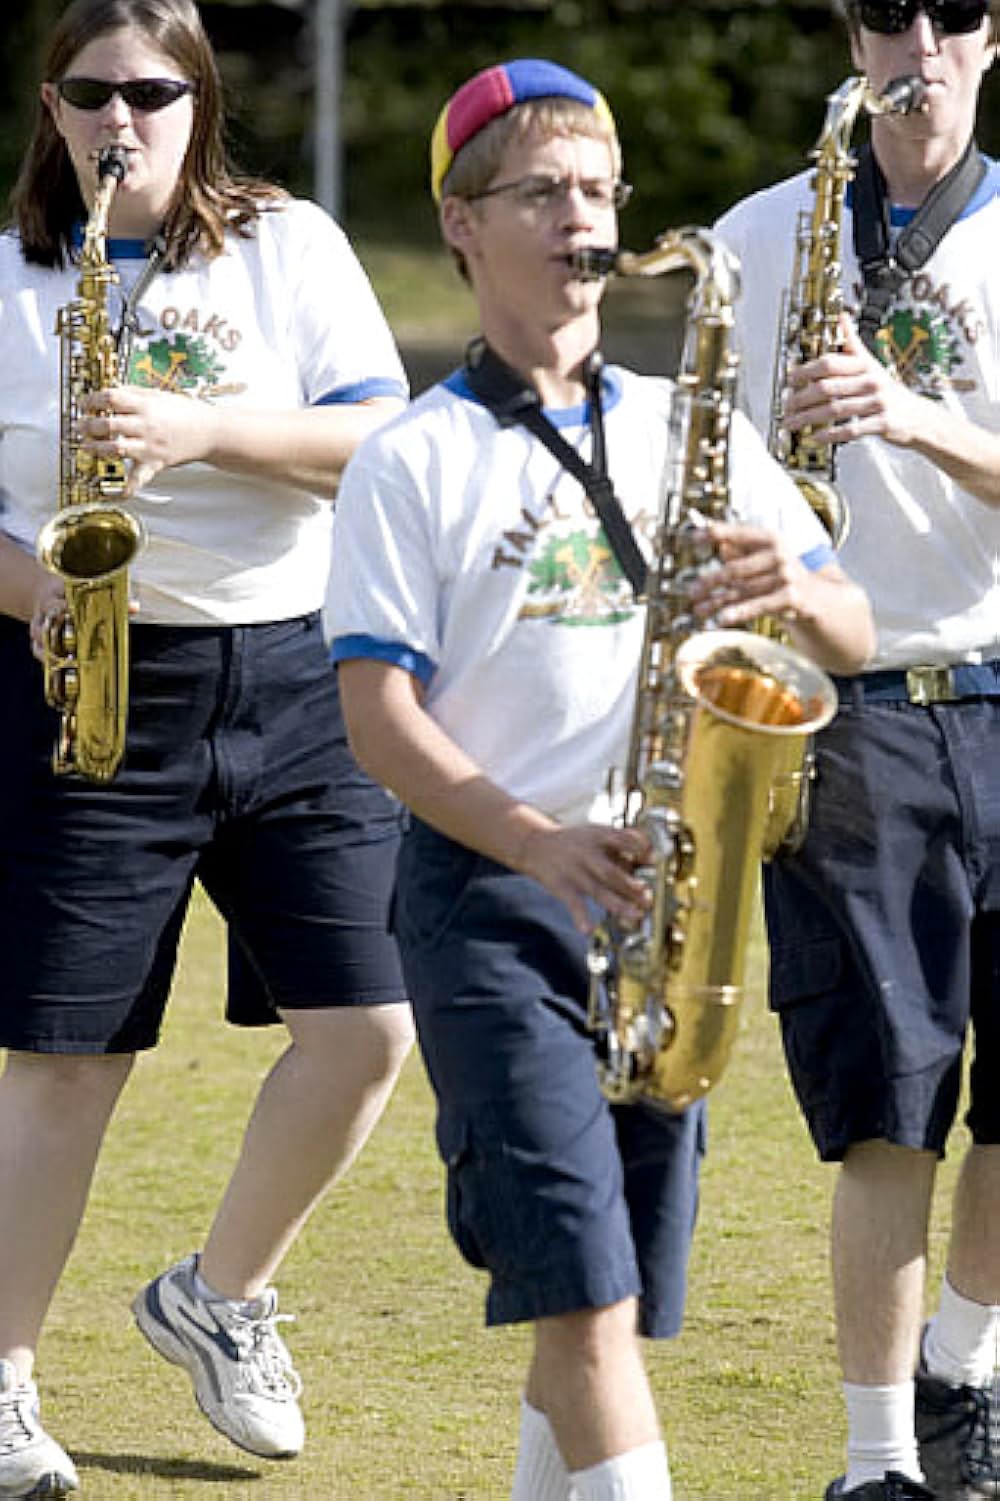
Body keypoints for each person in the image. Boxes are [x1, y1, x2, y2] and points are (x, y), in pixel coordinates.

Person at [325, 56, 875, 1501]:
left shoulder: (675, 422)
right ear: (462, 224)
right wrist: (533, 842)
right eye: (545, 190)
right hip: (491, 899)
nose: (585, 215)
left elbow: (856, 626)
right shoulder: (413, 457)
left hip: (660, 893)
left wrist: (795, 590)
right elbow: (378, 717)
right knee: (578, 1286)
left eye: (600, 188)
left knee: (607, 1280)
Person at [0, 0, 415, 1494]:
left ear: (199, 98)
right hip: (95, 684)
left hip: (299, 673)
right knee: (66, 1065)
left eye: (154, 92)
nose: (126, 120)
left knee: (367, 1031)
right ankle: (2, 1384)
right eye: (94, 93)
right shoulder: (11, 274)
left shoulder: (288, 246)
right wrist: (41, 586)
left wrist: (198, 431)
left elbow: (385, 435)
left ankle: (220, 1294)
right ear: (55, 111)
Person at [714, 2, 1000, 1497]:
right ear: (851, 33)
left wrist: (912, 418)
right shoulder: (763, 235)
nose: (921, 40)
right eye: (890, 10)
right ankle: (877, 1461)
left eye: (955, 11)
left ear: (994, 38)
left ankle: (966, 1354)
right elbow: (701, 459)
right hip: (851, 707)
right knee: (889, 1101)